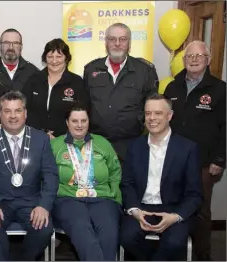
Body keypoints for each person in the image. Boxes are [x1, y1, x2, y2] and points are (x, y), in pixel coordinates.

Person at [0, 90, 59, 261]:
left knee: (44, 229)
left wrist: (43, 206)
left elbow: (51, 175)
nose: (13, 116)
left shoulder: (40, 138)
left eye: (18, 110)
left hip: (31, 202)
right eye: (7, 111)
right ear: (0, 114)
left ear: (25, 113)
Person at [120, 94, 203, 261]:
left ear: (169, 116)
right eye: (148, 113)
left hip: (173, 209)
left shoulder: (188, 148)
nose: (152, 118)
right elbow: (127, 184)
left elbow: (195, 194)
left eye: (158, 113)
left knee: (174, 243)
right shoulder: (135, 146)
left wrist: (175, 216)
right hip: (142, 208)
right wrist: (135, 211)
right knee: (126, 238)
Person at [163, 40, 226, 261]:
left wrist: (220, 159)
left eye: (199, 56)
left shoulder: (220, 89)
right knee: (172, 204)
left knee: (200, 211)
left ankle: (202, 255)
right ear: (183, 60)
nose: (194, 59)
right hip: (174, 160)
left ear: (208, 60)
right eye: (190, 56)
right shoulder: (172, 87)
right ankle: (176, 251)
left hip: (204, 162)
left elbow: (225, 128)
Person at [50, 104, 121, 261]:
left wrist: (115, 197)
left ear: (89, 122)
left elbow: (115, 172)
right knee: (81, 228)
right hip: (68, 199)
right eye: (75, 121)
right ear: (67, 122)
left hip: (102, 198)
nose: (80, 125)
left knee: (108, 231)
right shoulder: (55, 146)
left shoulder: (102, 143)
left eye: (84, 120)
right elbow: (46, 176)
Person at [83, 22, 159, 161]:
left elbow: (152, 106)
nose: (117, 43)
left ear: (129, 43)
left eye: (122, 39)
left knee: (128, 183)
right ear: (106, 42)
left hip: (132, 144)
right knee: (98, 182)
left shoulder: (145, 70)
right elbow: (85, 105)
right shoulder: (91, 69)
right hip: (97, 144)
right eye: (112, 39)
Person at [23, 38, 90, 139]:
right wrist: (43, 133)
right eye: (50, 56)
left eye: (59, 56)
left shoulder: (77, 82)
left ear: (66, 58)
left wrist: (56, 134)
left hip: (66, 138)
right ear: (45, 58)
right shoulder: (33, 80)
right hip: (35, 137)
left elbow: (82, 112)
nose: (54, 61)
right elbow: (24, 108)